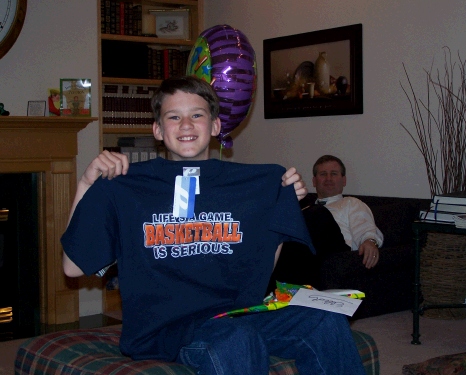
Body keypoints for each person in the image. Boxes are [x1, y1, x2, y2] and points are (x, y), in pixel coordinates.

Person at [61, 76, 365, 375]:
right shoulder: (126, 187)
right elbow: (73, 267)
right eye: (173, 116)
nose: (186, 125)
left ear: (216, 125)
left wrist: (279, 206)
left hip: (236, 316)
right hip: (169, 330)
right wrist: (87, 185)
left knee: (326, 319)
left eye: (197, 115)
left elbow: (260, 268)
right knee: (236, 339)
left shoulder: (252, 185)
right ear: (157, 129)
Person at [311, 154, 383, 269]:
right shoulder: (305, 209)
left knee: (319, 214)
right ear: (314, 181)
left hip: (336, 258)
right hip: (305, 256)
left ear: (343, 180)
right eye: (323, 174)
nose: (328, 178)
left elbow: (365, 228)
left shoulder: (351, 203)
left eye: (334, 174)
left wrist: (369, 241)